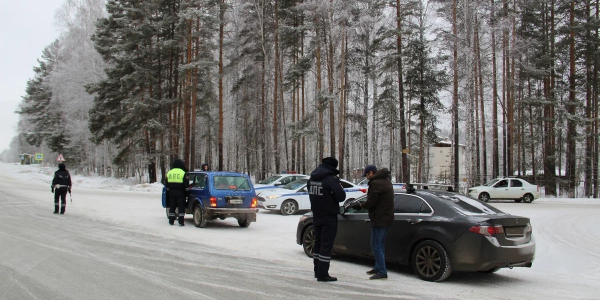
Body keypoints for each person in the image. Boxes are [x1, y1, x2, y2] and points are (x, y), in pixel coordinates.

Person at [307, 157, 346, 282]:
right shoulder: (330, 179)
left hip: (316, 215)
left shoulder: (312, 178)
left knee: (317, 242)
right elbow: (341, 197)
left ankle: (317, 271)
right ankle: (323, 274)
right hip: (329, 216)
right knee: (326, 244)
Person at [351, 165, 394, 280]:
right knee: (380, 245)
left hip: (379, 218)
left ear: (371, 173)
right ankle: (378, 267)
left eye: (366, 175)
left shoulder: (376, 183)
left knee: (375, 245)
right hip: (387, 217)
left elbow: (371, 202)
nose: (366, 178)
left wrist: (360, 206)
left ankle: (382, 271)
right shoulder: (386, 180)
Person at [166, 159, 189, 226]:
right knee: (181, 207)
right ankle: (181, 222)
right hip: (180, 192)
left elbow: (166, 184)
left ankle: (171, 221)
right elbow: (186, 184)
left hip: (171, 192)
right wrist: (187, 191)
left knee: (172, 206)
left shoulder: (169, 172)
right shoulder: (183, 172)